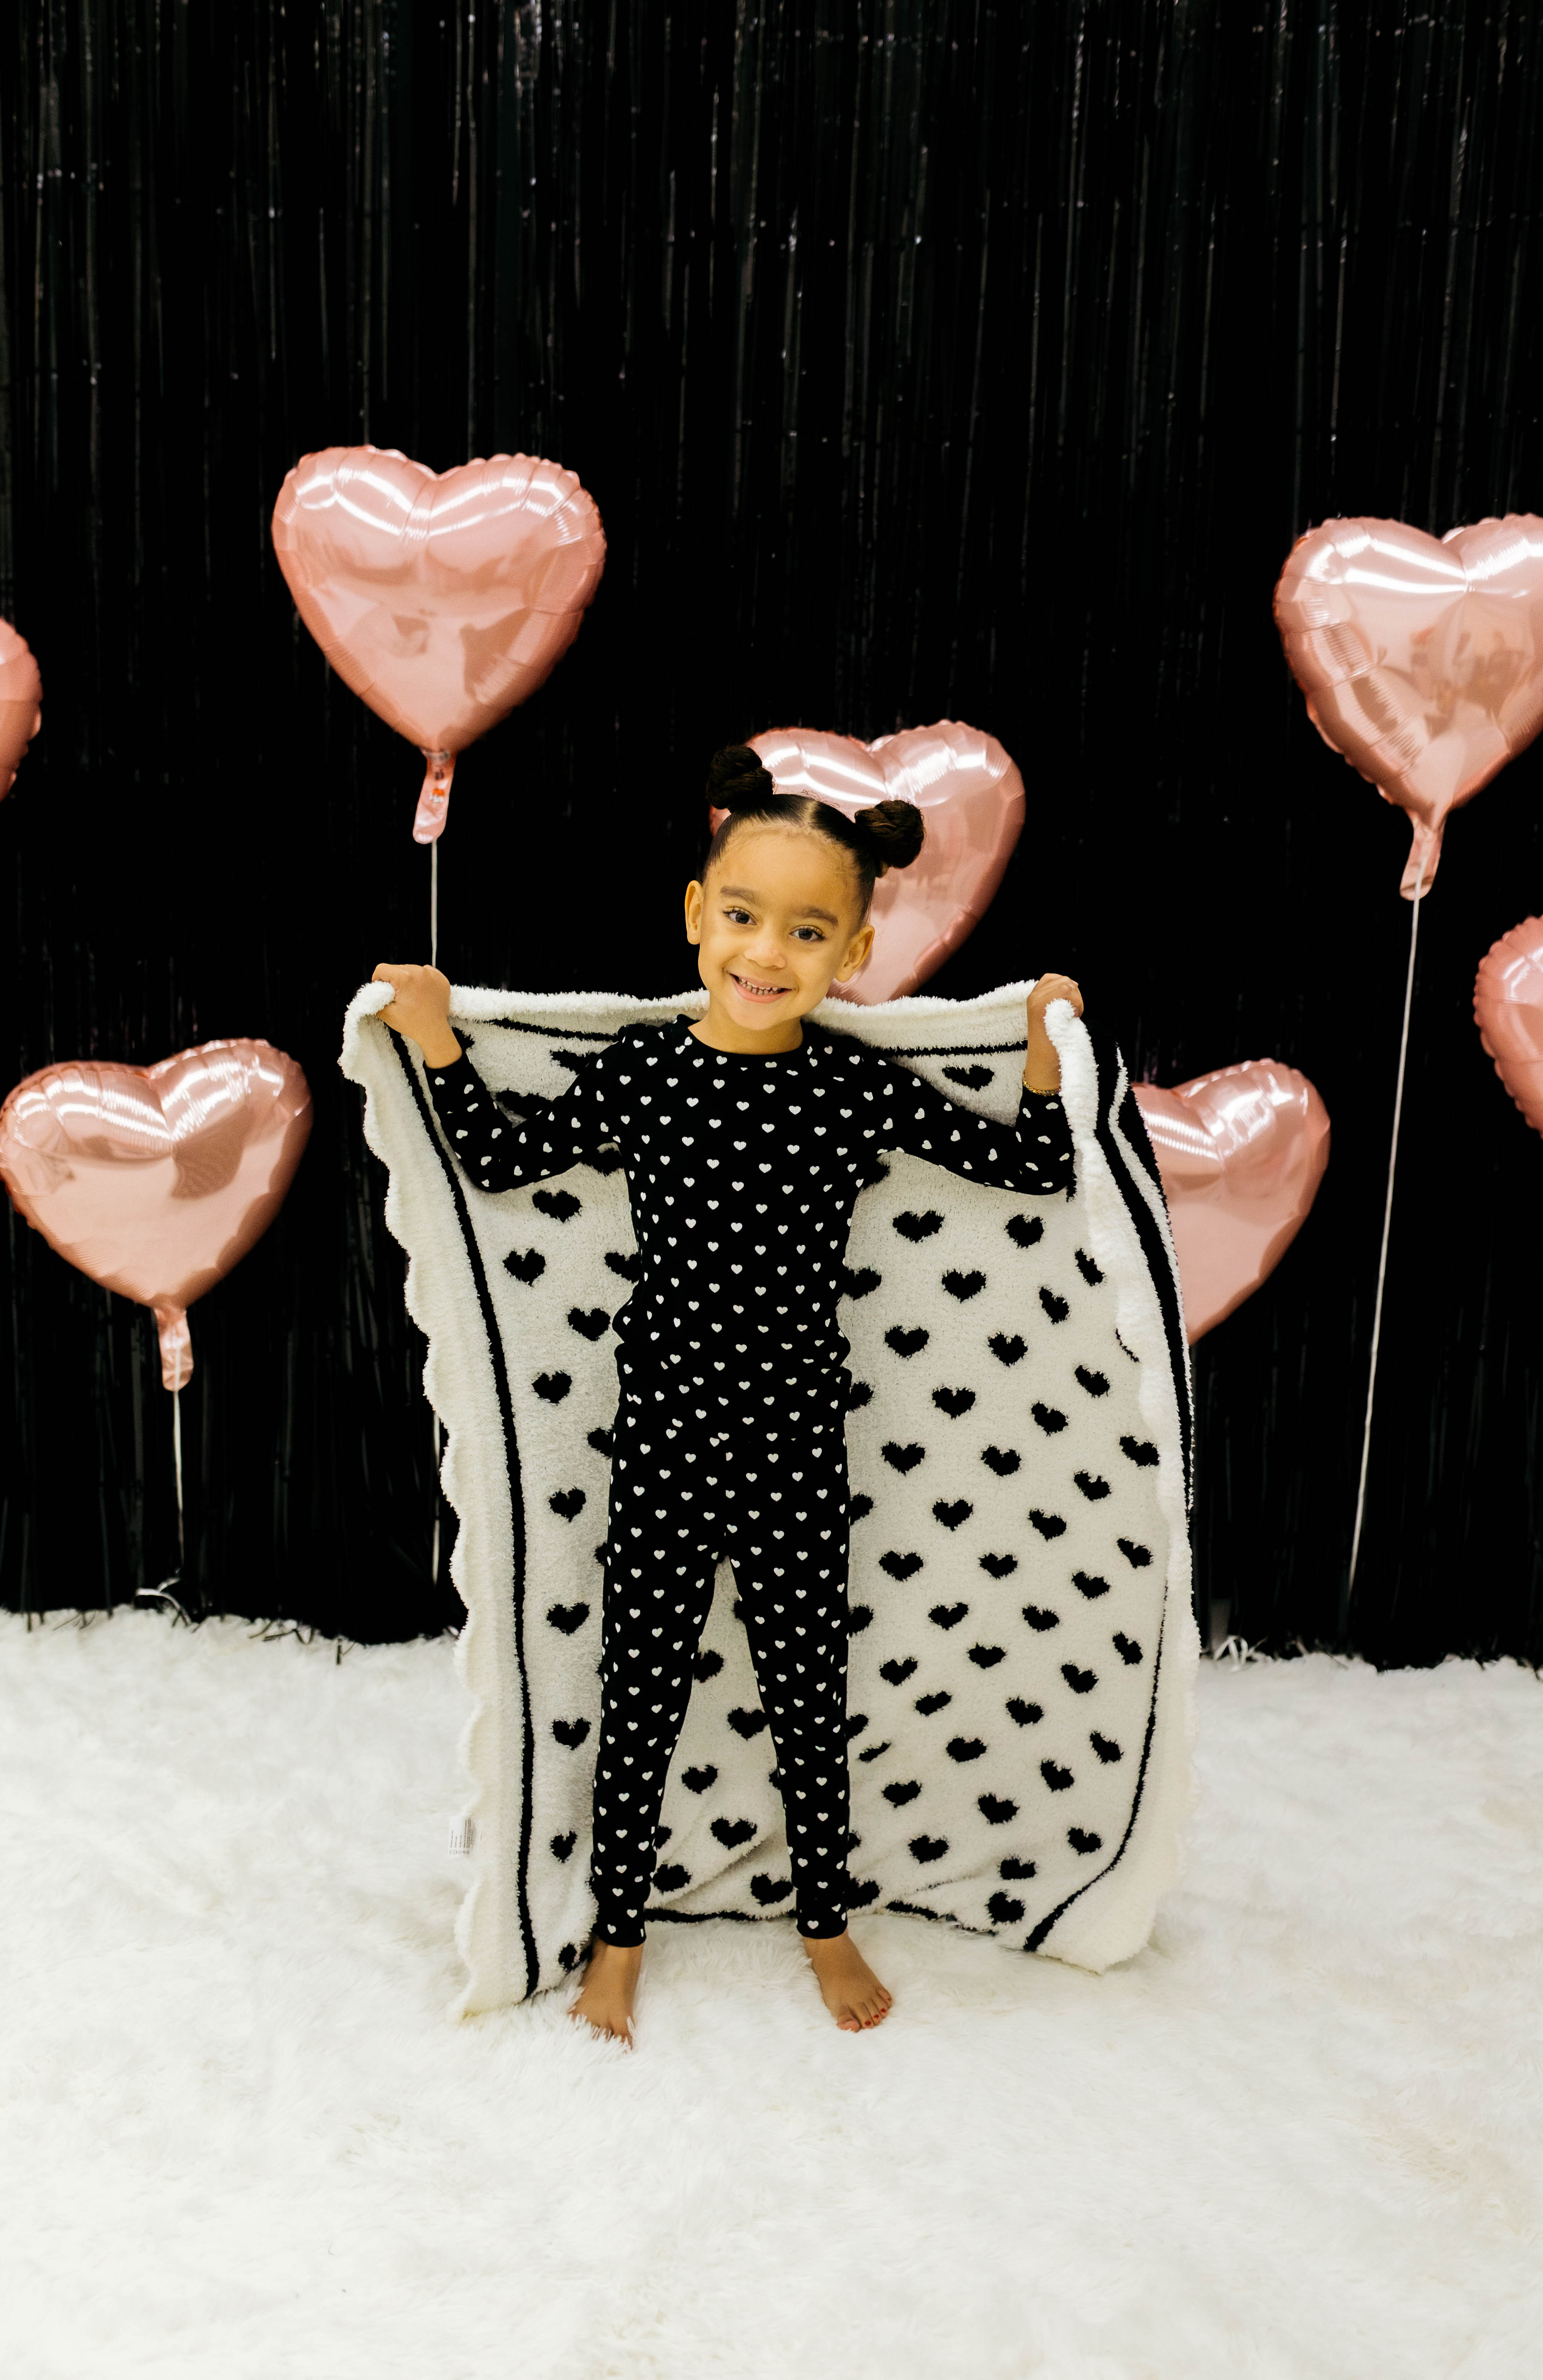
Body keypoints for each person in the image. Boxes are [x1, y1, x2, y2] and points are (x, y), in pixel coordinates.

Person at [374, 744, 1084, 2045]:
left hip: (803, 1442)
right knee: (639, 1692)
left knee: (810, 1693)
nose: (769, 954)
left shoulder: (850, 1084)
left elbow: (1033, 1169)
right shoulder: (648, 1071)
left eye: (808, 931)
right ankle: (620, 1933)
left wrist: (1040, 1048)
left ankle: (827, 1915)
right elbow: (495, 1158)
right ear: (697, 916)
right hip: (663, 1441)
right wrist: (436, 1043)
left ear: (855, 952)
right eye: (744, 917)